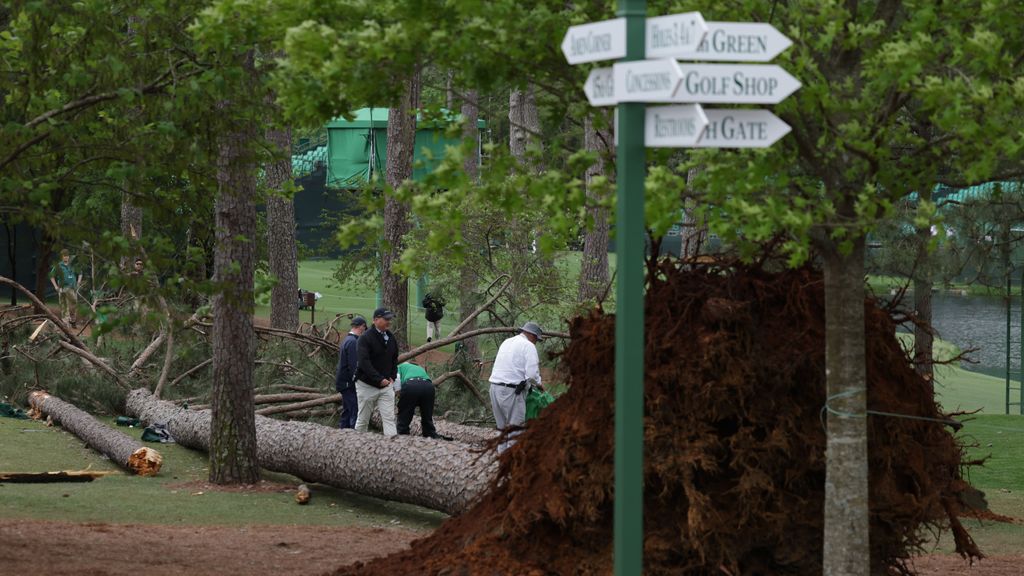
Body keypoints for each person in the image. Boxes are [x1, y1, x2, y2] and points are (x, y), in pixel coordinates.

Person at [488, 321, 544, 452]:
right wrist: (540, 384)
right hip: (512, 391)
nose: (536, 342)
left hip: (494, 387)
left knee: (501, 428)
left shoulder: (507, 342)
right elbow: (531, 374)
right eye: (536, 339)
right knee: (515, 430)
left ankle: (501, 460)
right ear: (532, 335)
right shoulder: (528, 346)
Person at [354, 308, 399, 436]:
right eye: (386, 319)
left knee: (389, 419)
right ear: (375, 320)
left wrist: (392, 376)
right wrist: (378, 379)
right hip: (366, 385)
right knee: (363, 420)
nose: (389, 322)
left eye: (389, 319)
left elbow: (394, 358)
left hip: (386, 386)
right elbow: (364, 362)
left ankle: (391, 449)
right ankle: (356, 448)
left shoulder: (391, 337)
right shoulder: (365, 338)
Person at [395, 361, 451, 440]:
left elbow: (397, 380)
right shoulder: (419, 368)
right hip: (428, 386)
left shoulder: (399, 367)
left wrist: (399, 394)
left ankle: (402, 435)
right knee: (427, 414)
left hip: (411, 385)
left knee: (404, 414)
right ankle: (430, 435)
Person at [335, 316, 367, 429]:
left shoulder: (348, 340)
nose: (364, 330)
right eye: (364, 327)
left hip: (344, 382)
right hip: (348, 383)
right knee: (354, 410)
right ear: (360, 327)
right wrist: (358, 380)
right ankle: (352, 437)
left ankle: (343, 434)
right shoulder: (353, 342)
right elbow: (354, 365)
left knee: (347, 410)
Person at [49, 249, 81, 327]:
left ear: (69, 257)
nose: (66, 257)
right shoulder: (58, 266)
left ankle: (72, 320)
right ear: (62, 257)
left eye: (67, 256)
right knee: (63, 305)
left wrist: (78, 282)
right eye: (64, 256)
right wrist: (55, 286)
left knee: (74, 303)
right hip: (62, 288)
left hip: (72, 288)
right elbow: (51, 276)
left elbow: (80, 273)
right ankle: (65, 323)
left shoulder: (73, 265)